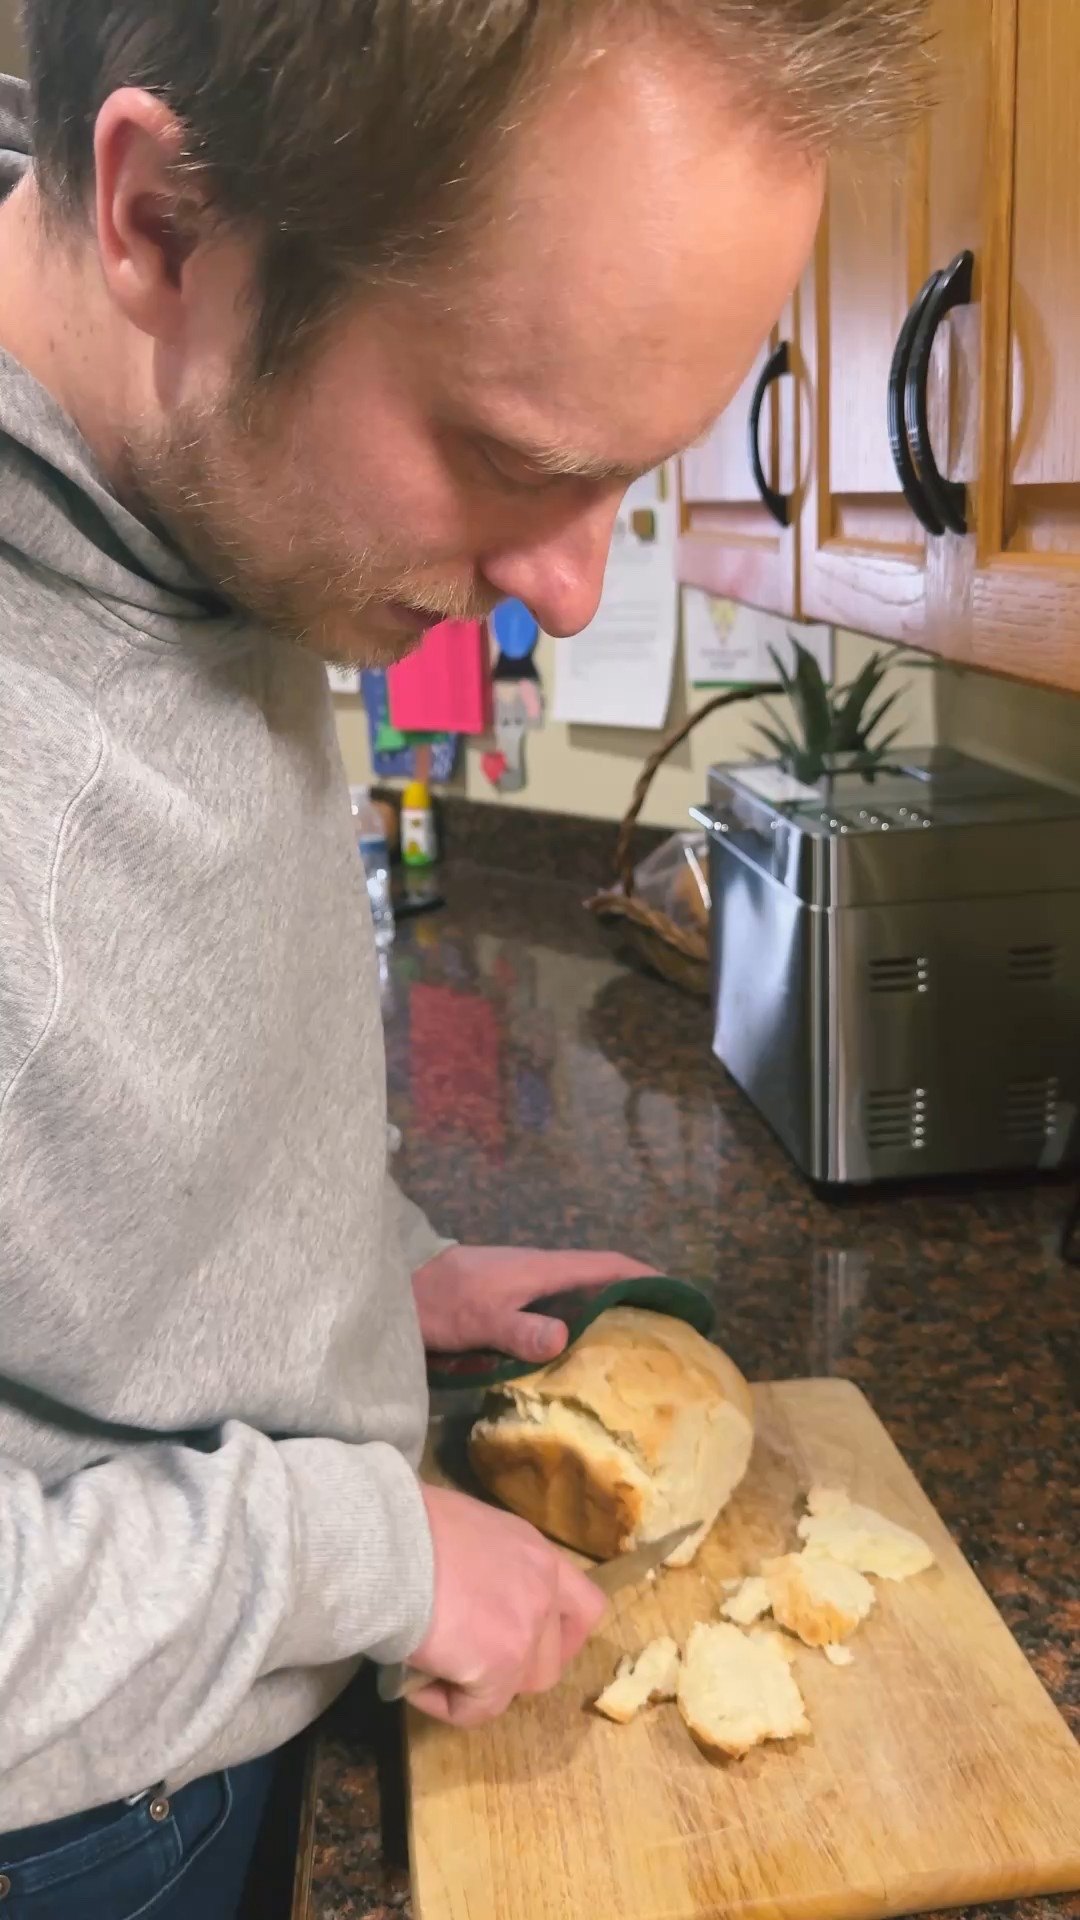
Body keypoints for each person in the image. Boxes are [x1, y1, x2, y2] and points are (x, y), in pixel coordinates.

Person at [0, 1, 928, 1912]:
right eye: (515, 456)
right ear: (161, 219)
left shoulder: (187, 493)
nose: (572, 585)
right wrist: (369, 1553)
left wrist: (339, 1268)